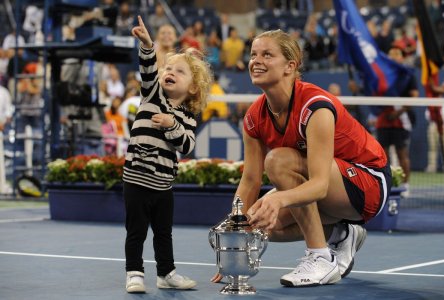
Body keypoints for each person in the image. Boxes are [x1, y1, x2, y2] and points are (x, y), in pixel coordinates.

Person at [210, 29, 391, 287]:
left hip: (367, 183)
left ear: (290, 66)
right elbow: (249, 181)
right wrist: (235, 239)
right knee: (258, 222)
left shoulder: (315, 105)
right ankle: (341, 233)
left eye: (267, 55)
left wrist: (280, 200)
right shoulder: (253, 117)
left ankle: (320, 257)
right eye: (253, 54)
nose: (256, 61)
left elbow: (319, 185)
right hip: (327, 188)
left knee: (278, 162)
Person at [123, 16, 212, 293]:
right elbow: (148, 70)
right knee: (136, 231)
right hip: (136, 179)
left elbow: (186, 146)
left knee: (164, 233)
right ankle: (134, 273)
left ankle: (166, 272)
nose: (169, 72)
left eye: (179, 71)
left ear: (193, 88)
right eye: (168, 68)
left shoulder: (187, 117)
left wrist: (171, 124)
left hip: (164, 186)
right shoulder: (152, 96)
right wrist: (148, 46)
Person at [373, 47, 418, 196]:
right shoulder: (381, 75)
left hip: (401, 120)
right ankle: (385, 185)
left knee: (402, 154)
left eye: (397, 54)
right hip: (383, 120)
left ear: (402, 58)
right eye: (390, 53)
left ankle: (406, 186)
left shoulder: (408, 75)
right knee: (382, 156)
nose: (393, 56)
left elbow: (414, 97)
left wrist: (397, 113)